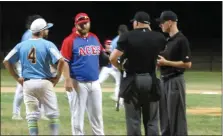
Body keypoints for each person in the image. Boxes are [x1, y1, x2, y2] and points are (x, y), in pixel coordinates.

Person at [3, 18, 64, 135]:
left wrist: (17, 78)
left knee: (31, 117)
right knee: (53, 114)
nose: (47, 31)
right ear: (41, 31)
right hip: (44, 82)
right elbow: (61, 60)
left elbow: (6, 61)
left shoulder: (21, 45)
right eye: (46, 29)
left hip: (28, 83)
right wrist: (57, 76)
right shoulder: (48, 44)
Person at [110, 11, 166, 135]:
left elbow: (112, 58)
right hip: (151, 79)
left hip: (132, 80)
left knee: (133, 120)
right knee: (152, 120)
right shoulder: (159, 37)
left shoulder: (127, 36)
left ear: (136, 22)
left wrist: (121, 68)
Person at [60, 12, 107, 135]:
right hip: (78, 82)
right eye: (81, 24)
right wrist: (67, 79)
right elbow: (64, 61)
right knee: (77, 116)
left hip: (95, 82)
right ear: (76, 25)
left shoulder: (94, 37)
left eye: (86, 23)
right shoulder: (69, 40)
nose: (84, 26)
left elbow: (102, 55)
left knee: (97, 116)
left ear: (89, 23)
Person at [156, 10, 192, 136]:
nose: (160, 25)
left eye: (162, 22)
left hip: (175, 80)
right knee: (165, 117)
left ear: (170, 22)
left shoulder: (181, 40)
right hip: (164, 80)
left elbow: (187, 64)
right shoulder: (168, 41)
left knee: (176, 117)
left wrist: (166, 63)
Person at [12, 14, 49, 120]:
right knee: (22, 88)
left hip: (33, 64)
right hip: (26, 64)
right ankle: (16, 113)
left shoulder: (36, 35)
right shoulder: (29, 35)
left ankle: (40, 113)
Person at [99, 39, 122, 107]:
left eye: (110, 44)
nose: (109, 45)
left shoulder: (115, 50)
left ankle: (118, 100)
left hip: (114, 69)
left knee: (119, 84)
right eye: (108, 44)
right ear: (105, 44)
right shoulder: (102, 51)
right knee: (98, 82)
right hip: (106, 69)